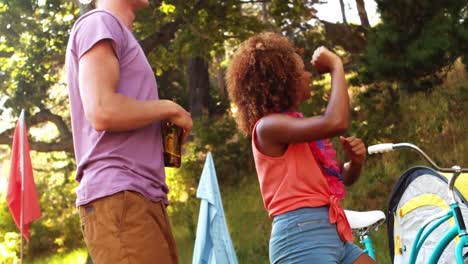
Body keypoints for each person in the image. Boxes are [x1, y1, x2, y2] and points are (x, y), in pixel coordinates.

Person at [226, 32, 374, 264]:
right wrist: (336, 66)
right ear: (282, 80)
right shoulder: (268, 127)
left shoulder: (296, 128)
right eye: (301, 70)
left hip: (331, 231)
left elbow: (341, 178)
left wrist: (355, 162)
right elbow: (336, 122)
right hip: (300, 237)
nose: (308, 75)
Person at [65, 0, 192, 263]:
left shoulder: (119, 34)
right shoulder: (99, 22)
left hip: (140, 197)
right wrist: (168, 108)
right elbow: (102, 109)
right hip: (120, 197)